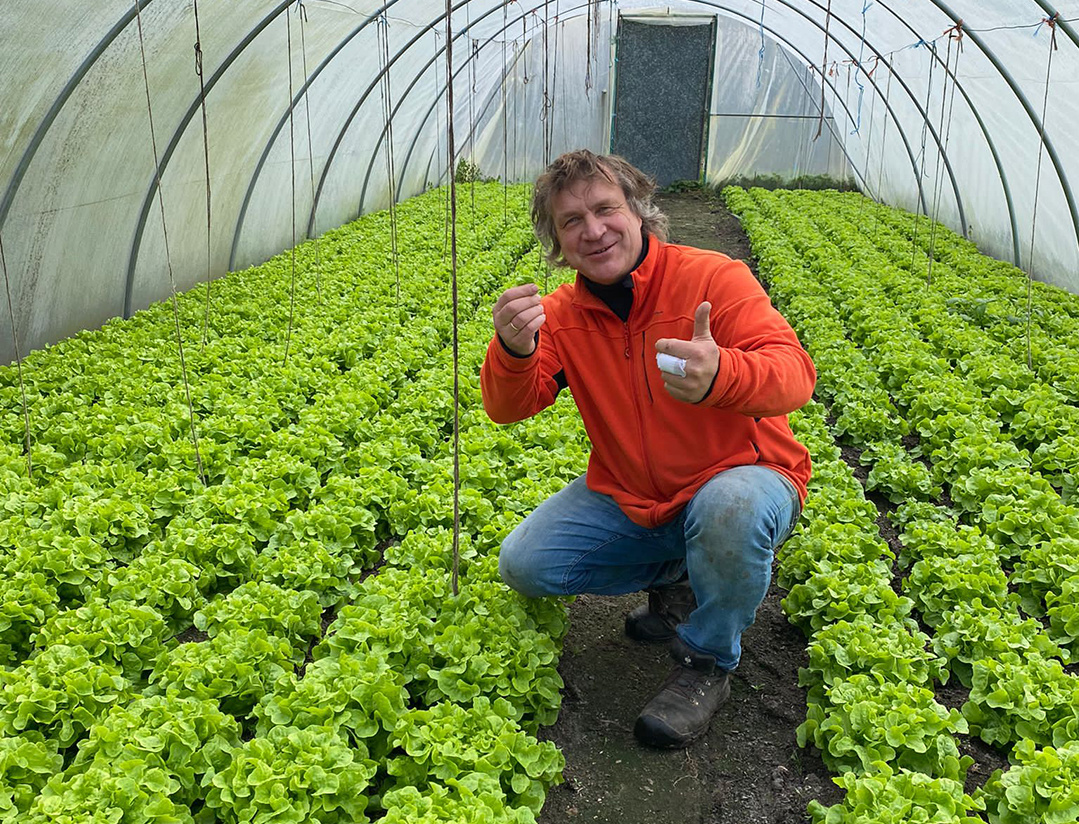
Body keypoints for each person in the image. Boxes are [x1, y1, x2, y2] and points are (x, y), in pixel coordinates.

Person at [479, 149, 815, 749]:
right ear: (557, 242)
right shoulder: (561, 316)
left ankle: (708, 661)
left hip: (745, 475)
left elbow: (795, 374)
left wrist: (723, 374)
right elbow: (510, 406)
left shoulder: (712, 279)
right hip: (637, 494)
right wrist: (513, 349)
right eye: (571, 221)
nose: (593, 230)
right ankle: (683, 572)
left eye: (605, 209)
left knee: (730, 510)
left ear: (638, 211)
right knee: (525, 564)